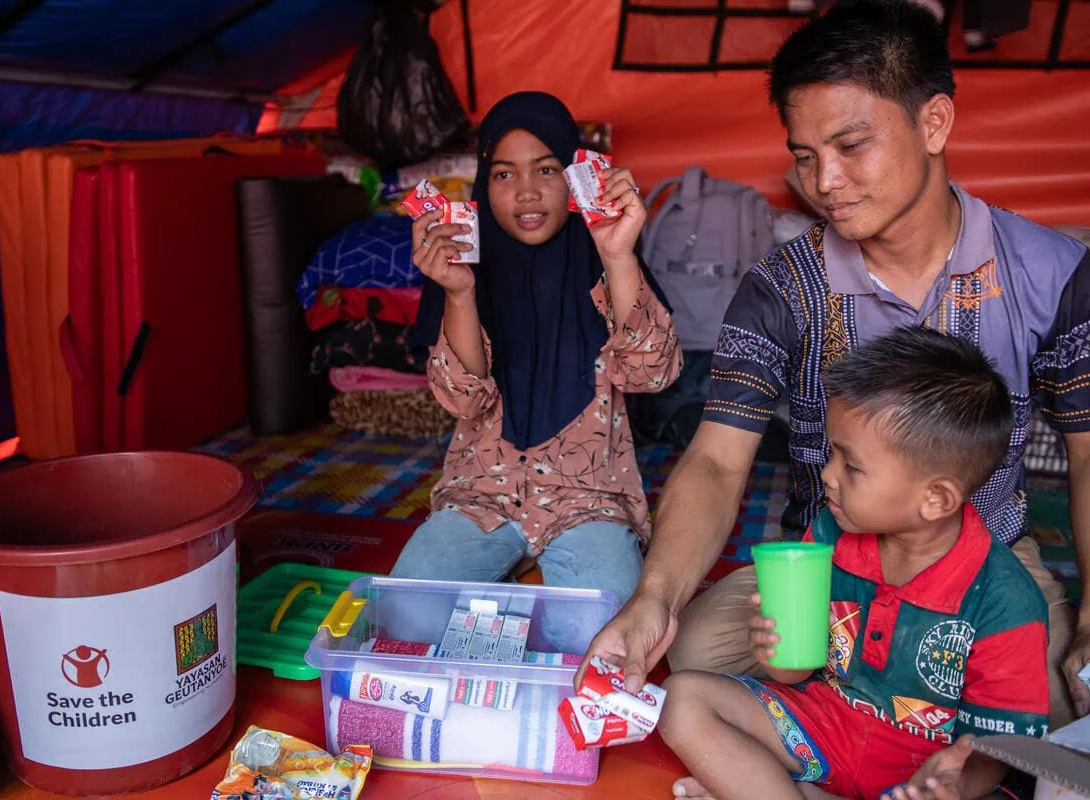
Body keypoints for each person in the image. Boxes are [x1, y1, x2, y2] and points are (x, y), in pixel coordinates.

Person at [581, 0, 1090, 729]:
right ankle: (878, 713)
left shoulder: (1052, 273)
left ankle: (853, 714)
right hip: (828, 565)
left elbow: (1087, 453)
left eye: (851, 146)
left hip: (988, 565)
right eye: (805, 156)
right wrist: (653, 599)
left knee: (1056, 699)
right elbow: (718, 461)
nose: (824, 182)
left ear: (934, 123)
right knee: (693, 651)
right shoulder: (780, 288)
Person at [659, 327, 1048, 800]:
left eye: (852, 466)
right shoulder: (830, 534)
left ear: (936, 499)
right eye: (832, 455)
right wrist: (775, 654)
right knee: (682, 699)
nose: (826, 474)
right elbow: (798, 673)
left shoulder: (1006, 600)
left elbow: (995, 750)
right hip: (826, 729)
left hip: (924, 772)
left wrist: (952, 783)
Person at [391, 92, 682, 648]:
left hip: (588, 497)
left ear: (575, 177)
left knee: (594, 635)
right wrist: (459, 292)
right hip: (481, 493)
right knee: (406, 617)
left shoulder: (604, 253)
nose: (526, 191)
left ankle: (521, 584)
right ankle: (520, 577)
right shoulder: (461, 263)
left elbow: (650, 374)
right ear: (484, 182)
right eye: (504, 174)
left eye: (546, 169)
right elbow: (464, 400)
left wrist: (619, 256)